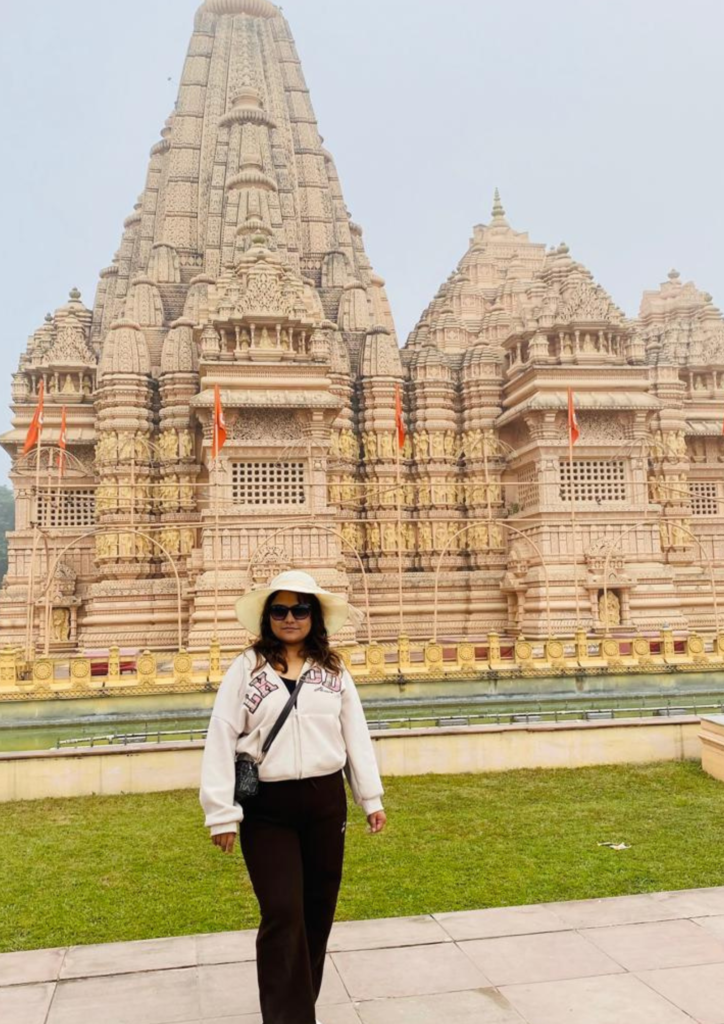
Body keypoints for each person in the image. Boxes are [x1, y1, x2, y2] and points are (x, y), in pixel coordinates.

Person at [199, 570, 386, 1024]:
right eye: (280, 610)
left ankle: (296, 1007)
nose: (290, 618)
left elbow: (355, 735)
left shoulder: (333, 671)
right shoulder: (247, 668)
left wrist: (370, 797)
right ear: (267, 617)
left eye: (300, 609)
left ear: (314, 617)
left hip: (324, 802)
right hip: (268, 807)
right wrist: (221, 813)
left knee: (317, 913)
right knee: (283, 912)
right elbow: (221, 735)